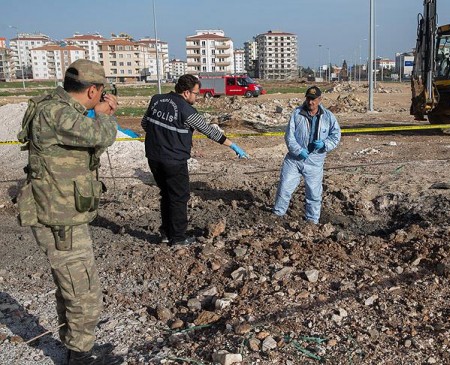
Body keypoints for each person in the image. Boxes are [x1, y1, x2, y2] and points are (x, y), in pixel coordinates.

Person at [15, 59, 123, 365]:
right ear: (92, 90)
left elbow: (83, 149)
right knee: (82, 289)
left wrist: (93, 112)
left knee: (71, 285)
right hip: (59, 217)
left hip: (61, 211)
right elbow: (101, 136)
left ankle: (77, 347)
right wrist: (103, 115)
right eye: (101, 92)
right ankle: (81, 357)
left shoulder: (56, 107)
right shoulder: (57, 112)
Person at [142, 74, 249, 245]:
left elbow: (145, 124)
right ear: (186, 93)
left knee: (166, 194)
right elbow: (209, 131)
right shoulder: (187, 110)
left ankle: (166, 233)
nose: (197, 97)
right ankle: (178, 238)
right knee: (179, 197)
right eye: (196, 93)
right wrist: (232, 145)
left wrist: (164, 136)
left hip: (153, 157)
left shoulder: (156, 99)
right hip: (174, 160)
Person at [273, 86, 341, 224]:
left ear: (320, 100)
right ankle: (277, 216)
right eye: (309, 99)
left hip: (315, 161)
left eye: (314, 99)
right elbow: (289, 136)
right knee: (285, 187)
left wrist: (325, 144)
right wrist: (298, 150)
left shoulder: (328, 117)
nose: (311, 102)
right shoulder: (297, 114)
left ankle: (312, 221)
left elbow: (336, 136)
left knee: (314, 194)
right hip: (294, 159)